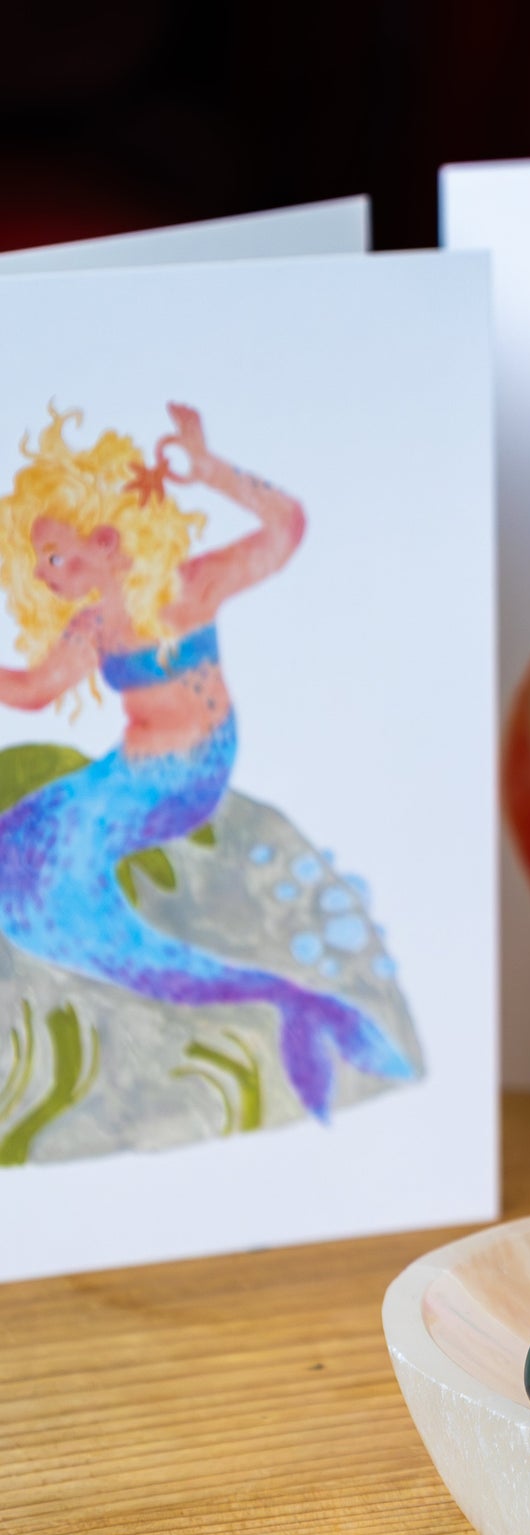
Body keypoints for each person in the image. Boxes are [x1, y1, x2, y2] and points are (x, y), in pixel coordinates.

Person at [0, 403, 411, 1120]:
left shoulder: (189, 587)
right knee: (17, 854)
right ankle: (275, 998)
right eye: (39, 564)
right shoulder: (93, 625)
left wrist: (211, 469)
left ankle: (283, 1000)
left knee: (44, 872)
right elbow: (34, 691)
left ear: (105, 539)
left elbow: (286, 527)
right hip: (128, 771)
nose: (44, 575)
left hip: (184, 777)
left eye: (55, 556)